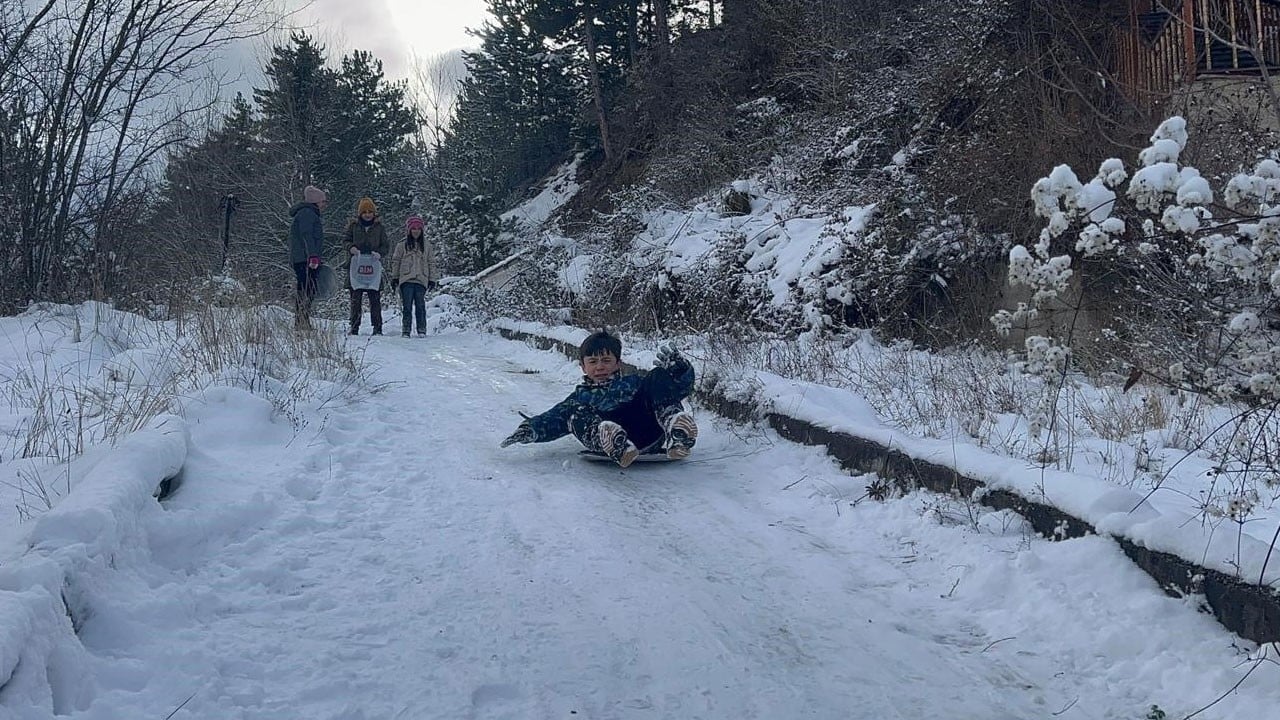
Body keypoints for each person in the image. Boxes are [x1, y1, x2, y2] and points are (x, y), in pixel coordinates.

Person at [500, 330, 698, 467]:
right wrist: (529, 429)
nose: (600, 367)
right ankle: (615, 442)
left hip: (650, 433)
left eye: (606, 361)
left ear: (618, 363)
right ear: (583, 367)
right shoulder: (581, 397)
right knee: (574, 414)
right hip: (611, 438)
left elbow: (677, 388)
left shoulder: (635, 383)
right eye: (593, 362)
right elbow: (554, 418)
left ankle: (677, 432)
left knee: (658, 380)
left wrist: (679, 370)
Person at [343, 197, 388, 335]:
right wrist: (351, 248)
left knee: (375, 299)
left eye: (370, 211)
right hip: (356, 268)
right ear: (360, 214)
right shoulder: (353, 227)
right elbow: (345, 241)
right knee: (355, 299)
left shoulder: (380, 228)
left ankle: (377, 327)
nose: (367, 214)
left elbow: (385, 245)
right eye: (364, 212)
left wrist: (380, 253)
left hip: (373, 269)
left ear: (374, 213)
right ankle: (355, 326)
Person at [389, 215, 439, 337]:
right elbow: (396, 261)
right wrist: (395, 277)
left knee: (420, 305)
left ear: (422, 230)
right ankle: (406, 329)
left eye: (418, 228)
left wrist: (432, 279)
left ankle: (421, 329)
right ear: (409, 230)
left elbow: (431, 262)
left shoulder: (427, 246)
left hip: (421, 279)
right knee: (407, 306)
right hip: (406, 279)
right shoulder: (401, 246)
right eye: (413, 228)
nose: (416, 231)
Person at [288, 185, 327, 330]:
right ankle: (301, 321)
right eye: (323, 201)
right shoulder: (307, 214)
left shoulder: (308, 213)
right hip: (305, 259)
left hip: (303, 258)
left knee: (306, 289)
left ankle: (302, 320)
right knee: (306, 289)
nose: (324, 205)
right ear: (315, 202)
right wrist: (313, 256)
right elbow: (307, 236)